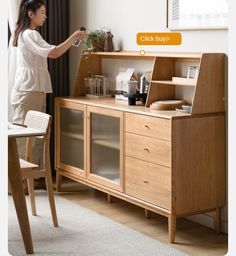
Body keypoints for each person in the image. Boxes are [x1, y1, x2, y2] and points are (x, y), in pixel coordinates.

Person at [11, 0, 86, 125]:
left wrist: (73, 39)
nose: (45, 16)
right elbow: (54, 52)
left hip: (31, 90)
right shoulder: (30, 34)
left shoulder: (25, 34)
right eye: (42, 12)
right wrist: (74, 37)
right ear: (31, 14)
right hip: (29, 91)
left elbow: (53, 51)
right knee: (28, 136)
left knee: (35, 136)